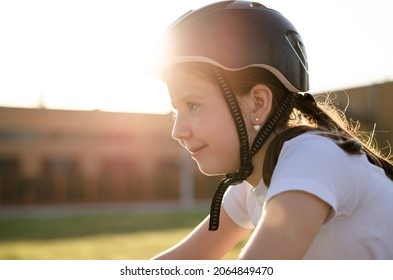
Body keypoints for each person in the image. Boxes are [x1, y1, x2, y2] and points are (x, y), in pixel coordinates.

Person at [152, 0, 393, 259]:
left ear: (258, 103)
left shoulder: (312, 157)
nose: (178, 131)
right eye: (176, 111)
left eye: (193, 105)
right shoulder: (251, 184)